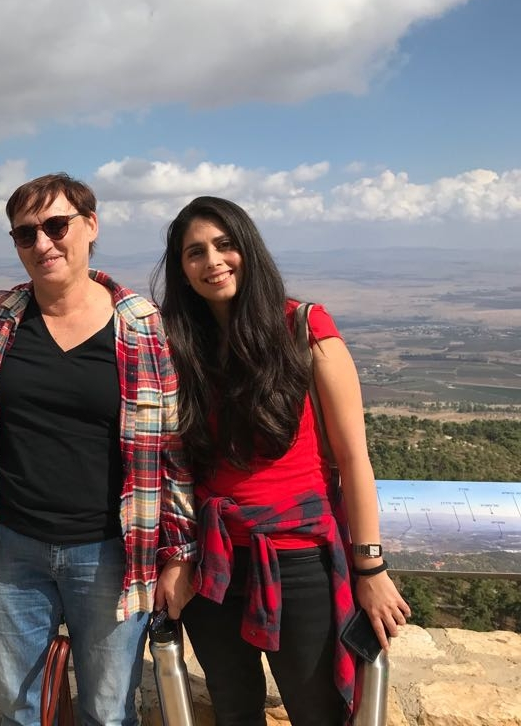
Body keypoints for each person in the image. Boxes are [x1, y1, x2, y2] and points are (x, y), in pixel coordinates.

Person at [154, 195, 412, 726]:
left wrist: (370, 567)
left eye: (225, 245)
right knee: (233, 708)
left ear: (248, 248)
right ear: (182, 268)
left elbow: (354, 458)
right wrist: (179, 557)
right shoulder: (179, 345)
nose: (213, 261)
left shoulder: (304, 327)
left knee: (317, 710)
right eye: (195, 252)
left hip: (299, 560)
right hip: (214, 560)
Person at [0, 173, 198, 726]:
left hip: (111, 553)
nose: (42, 243)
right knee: (20, 709)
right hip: (9, 547)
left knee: (108, 711)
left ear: (91, 225)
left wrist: (179, 554)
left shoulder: (142, 326)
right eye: (26, 234)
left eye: (56, 225)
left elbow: (174, 453)